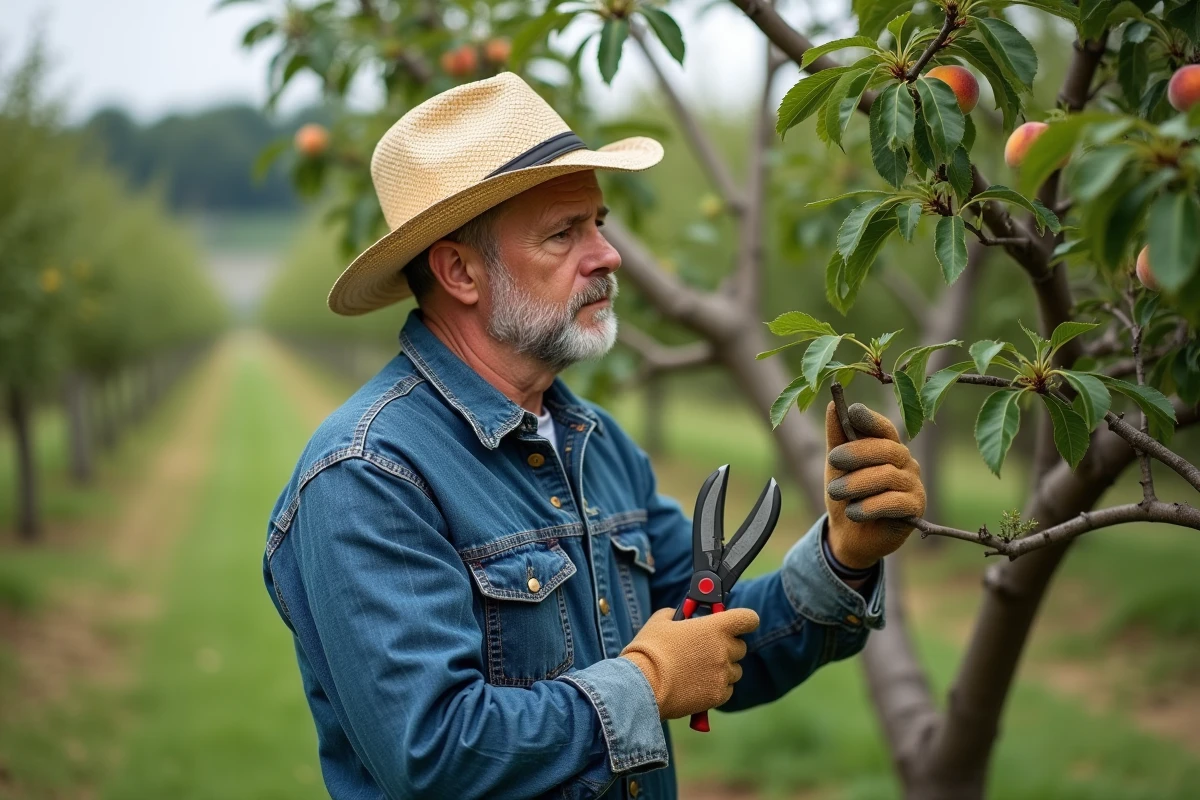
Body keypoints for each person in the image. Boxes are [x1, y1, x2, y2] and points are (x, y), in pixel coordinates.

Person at [263, 72, 926, 800]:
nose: (607, 255)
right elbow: (435, 754)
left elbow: (714, 638)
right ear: (459, 270)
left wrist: (844, 559)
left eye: (598, 223)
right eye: (563, 233)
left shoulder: (594, 442)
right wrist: (646, 683)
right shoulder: (370, 474)